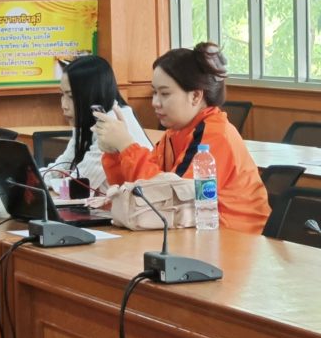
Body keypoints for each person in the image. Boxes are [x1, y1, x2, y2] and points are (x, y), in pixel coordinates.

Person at [93, 42, 271, 234]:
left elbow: (172, 198)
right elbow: (135, 191)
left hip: (235, 238)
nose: (155, 102)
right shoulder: (174, 133)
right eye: (154, 92)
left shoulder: (215, 135)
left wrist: (127, 146)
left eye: (164, 93)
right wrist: (115, 154)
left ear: (195, 96)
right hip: (195, 234)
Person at [43, 55, 149, 193]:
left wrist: (41, 182)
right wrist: (32, 178)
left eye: (71, 96)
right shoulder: (90, 118)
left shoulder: (112, 123)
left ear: (92, 94)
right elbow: (61, 167)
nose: (64, 105)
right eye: (62, 94)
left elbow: (80, 186)